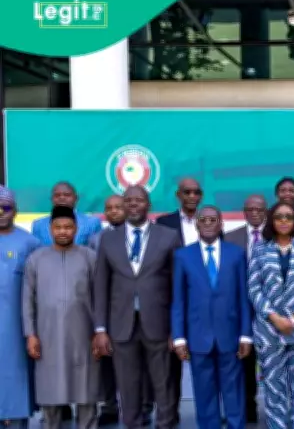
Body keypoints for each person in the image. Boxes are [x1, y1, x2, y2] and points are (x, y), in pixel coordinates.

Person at [92, 185, 183, 429]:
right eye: (128, 200)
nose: (133, 203)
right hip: (121, 325)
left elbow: (177, 286)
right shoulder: (108, 239)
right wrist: (100, 329)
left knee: (163, 383)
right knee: (127, 384)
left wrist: (176, 328)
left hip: (159, 324)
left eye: (139, 200)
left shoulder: (168, 236)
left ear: (148, 205)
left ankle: (165, 424)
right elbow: (101, 286)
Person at [172, 206, 252, 429]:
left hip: (230, 335)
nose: (208, 223)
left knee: (234, 392)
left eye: (212, 219)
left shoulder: (236, 254)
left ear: (221, 224)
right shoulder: (183, 256)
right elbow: (178, 300)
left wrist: (246, 335)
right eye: (203, 220)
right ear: (196, 224)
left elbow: (243, 297)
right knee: (204, 394)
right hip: (198, 337)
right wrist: (179, 338)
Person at [22, 206, 101, 429]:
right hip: (47, 337)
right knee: (50, 392)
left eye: (68, 227)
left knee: (86, 392)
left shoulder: (89, 257)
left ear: (76, 228)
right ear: (50, 229)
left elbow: (100, 297)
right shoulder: (36, 259)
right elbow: (27, 300)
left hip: (84, 336)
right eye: (58, 227)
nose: (63, 232)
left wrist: (99, 332)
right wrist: (30, 334)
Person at [249, 203, 294, 429]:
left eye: (288, 217)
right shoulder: (260, 249)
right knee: (273, 388)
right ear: (271, 220)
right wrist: (274, 318)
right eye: (278, 217)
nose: (283, 221)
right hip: (269, 331)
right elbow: (254, 288)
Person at [155, 177, 205, 416]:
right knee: (171, 361)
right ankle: (169, 413)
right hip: (172, 299)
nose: (192, 196)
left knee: (205, 359)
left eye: (196, 192)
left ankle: (207, 413)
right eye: (187, 192)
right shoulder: (164, 223)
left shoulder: (209, 220)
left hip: (203, 302)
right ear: (178, 195)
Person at [0, 186, 41, 429]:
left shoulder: (30, 242)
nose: (0, 213)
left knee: (16, 375)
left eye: (5, 207)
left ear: (15, 210)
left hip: (17, 326)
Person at [224, 194, 268, 423]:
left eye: (259, 209)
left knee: (271, 360)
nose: (254, 213)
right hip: (239, 309)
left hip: (271, 311)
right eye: (250, 209)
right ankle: (247, 406)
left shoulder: (276, 236)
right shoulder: (230, 238)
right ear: (244, 212)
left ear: (265, 211)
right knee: (243, 360)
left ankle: (276, 407)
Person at [31, 181, 102, 248]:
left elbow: (96, 251)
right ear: (52, 199)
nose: (62, 198)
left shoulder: (92, 223)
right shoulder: (38, 225)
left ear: (76, 198)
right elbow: (36, 252)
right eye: (57, 195)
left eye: (67, 195)